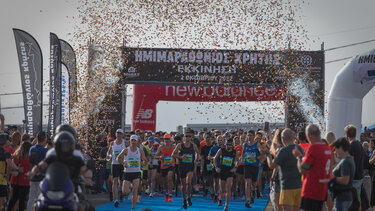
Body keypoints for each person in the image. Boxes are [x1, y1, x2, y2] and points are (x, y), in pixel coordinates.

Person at [293, 124, 332, 211]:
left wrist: (298, 157)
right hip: (322, 189)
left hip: (311, 190)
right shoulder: (327, 148)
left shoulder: (313, 148)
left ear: (309, 136)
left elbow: (302, 169)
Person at [267, 128, 303, 211]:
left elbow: (272, 165)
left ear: (282, 138)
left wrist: (268, 155)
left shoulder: (283, 151)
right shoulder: (299, 148)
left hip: (287, 187)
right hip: (298, 186)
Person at [117, 135, 148, 211]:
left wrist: (142, 164)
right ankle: (130, 187)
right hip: (127, 173)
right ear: (130, 141)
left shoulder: (140, 150)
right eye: (132, 140)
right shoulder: (126, 150)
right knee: (125, 191)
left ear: (137, 141)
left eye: (135, 140)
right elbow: (118, 157)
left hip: (136, 172)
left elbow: (145, 160)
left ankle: (133, 208)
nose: (133, 142)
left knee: (135, 191)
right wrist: (123, 163)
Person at [172, 129, 200, 209]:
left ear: (191, 137)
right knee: (183, 185)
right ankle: (184, 199)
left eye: (189, 136)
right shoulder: (180, 145)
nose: (188, 138)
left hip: (190, 166)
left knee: (188, 182)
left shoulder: (193, 145)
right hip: (182, 166)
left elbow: (198, 153)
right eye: (186, 136)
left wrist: (196, 160)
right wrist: (180, 157)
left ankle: (189, 197)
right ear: (184, 137)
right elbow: (173, 154)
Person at [214, 138, 239, 211]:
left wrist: (235, 168)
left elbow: (238, 160)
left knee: (228, 188)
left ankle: (226, 205)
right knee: (222, 188)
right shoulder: (222, 150)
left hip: (230, 171)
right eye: (227, 145)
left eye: (230, 145)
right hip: (222, 171)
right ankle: (220, 199)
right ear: (225, 144)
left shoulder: (235, 152)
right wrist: (216, 167)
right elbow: (215, 158)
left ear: (232, 145)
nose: (229, 146)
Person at [331, 137, 355, 211]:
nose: (334, 152)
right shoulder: (348, 160)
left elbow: (345, 180)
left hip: (342, 198)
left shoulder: (345, 162)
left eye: (335, 149)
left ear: (341, 148)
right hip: (344, 197)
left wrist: (331, 177)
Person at [241, 130, 263, 208]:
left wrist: (256, 157)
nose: (249, 137)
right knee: (247, 182)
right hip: (247, 165)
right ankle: (247, 200)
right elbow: (243, 153)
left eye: (250, 135)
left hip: (255, 166)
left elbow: (262, 155)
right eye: (248, 135)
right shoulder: (245, 144)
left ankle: (253, 191)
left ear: (254, 136)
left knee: (253, 183)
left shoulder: (257, 145)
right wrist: (241, 159)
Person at [7, 141, 32, 211]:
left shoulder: (16, 155)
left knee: (13, 199)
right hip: (25, 181)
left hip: (15, 180)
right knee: (22, 200)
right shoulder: (29, 157)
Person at [27, 131, 48, 211]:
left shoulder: (31, 149)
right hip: (42, 178)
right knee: (40, 198)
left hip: (33, 177)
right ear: (45, 139)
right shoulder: (45, 151)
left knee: (31, 197)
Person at [345, 125, 364, 209]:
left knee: (350, 200)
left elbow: (351, 163)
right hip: (359, 175)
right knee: (357, 199)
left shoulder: (351, 145)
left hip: (353, 177)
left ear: (346, 134)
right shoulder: (359, 144)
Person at [106, 128, 125, 207]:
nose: (119, 135)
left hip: (122, 164)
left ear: (122, 135)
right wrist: (108, 155)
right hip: (114, 164)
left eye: (120, 133)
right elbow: (109, 152)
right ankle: (115, 199)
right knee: (115, 181)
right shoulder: (112, 143)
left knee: (121, 182)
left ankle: (121, 193)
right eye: (117, 133)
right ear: (116, 134)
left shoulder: (125, 143)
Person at [156, 133, 175, 202]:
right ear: (163, 140)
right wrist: (160, 157)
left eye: (168, 139)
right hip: (163, 166)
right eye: (165, 139)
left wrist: (177, 156)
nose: (167, 140)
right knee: (165, 181)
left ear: (170, 140)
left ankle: (170, 194)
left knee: (169, 178)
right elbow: (156, 156)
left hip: (171, 165)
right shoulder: (161, 147)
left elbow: (177, 153)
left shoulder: (173, 146)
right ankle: (167, 192)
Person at [208, 135, 225, 203]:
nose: (220, 141)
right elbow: (208, 157)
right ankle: (216, 194)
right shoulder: (213, 148)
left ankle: (221, 195)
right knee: (216, 182)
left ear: (224, 141)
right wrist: (214, 157)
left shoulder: (226, 148)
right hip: (215, 166)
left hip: (224, 167)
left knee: (223, 182)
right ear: (216, 141)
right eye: (218, 140)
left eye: (221, 140)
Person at [0, 133, 13, 209]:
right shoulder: (6, 153)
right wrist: (7, 175)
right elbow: (10, 165)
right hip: (2, 180)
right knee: (1, 201)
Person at [200, 132, 214, 198]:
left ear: (211, 139)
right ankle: (205, 189)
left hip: (212, 164)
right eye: (206, 138)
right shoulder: (203, 148)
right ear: (204, 139)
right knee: (205, 180)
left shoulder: (213, 147)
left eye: (209, 138)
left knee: (211, 179)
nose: (207, 140)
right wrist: (202, 167)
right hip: (205, 165)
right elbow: (202, 158)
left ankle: (212, 192)